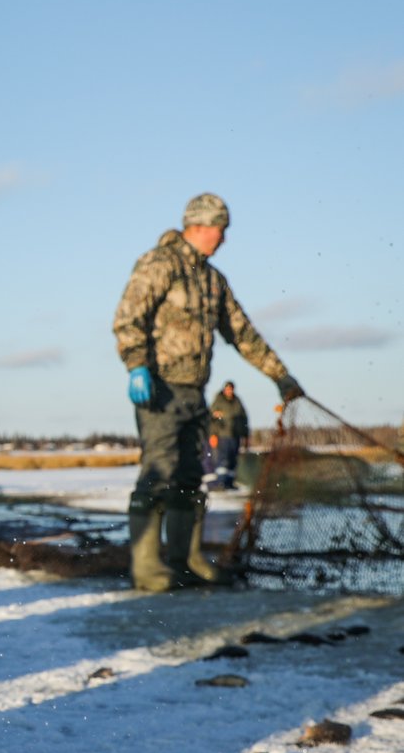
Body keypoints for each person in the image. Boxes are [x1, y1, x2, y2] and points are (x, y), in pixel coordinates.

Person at [113, 193, 302, 592]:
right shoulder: (159, 264)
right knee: (158, 473)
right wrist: (136, 366)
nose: (223, 239)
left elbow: (242, 333)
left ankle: (186, 561)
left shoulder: (213, 280)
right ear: (199, 226)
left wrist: (280, 377)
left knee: (189, 478)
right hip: (158, 391)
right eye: (220, 230)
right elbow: (129, 318)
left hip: (194, 394)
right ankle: (146, 568)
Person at [205, 380, 249, 490]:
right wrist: (213, 435)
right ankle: (221, 483)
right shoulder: (218, 401)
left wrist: (246, 435)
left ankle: (229, 483)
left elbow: (243, 419)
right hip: (222, 435)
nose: (230, 391)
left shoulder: (237, 401)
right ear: (224, 389)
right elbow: (211, 419)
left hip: (235, 435)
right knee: (222, 460)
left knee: (232, 460)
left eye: (231, 388)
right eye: (228, 388)